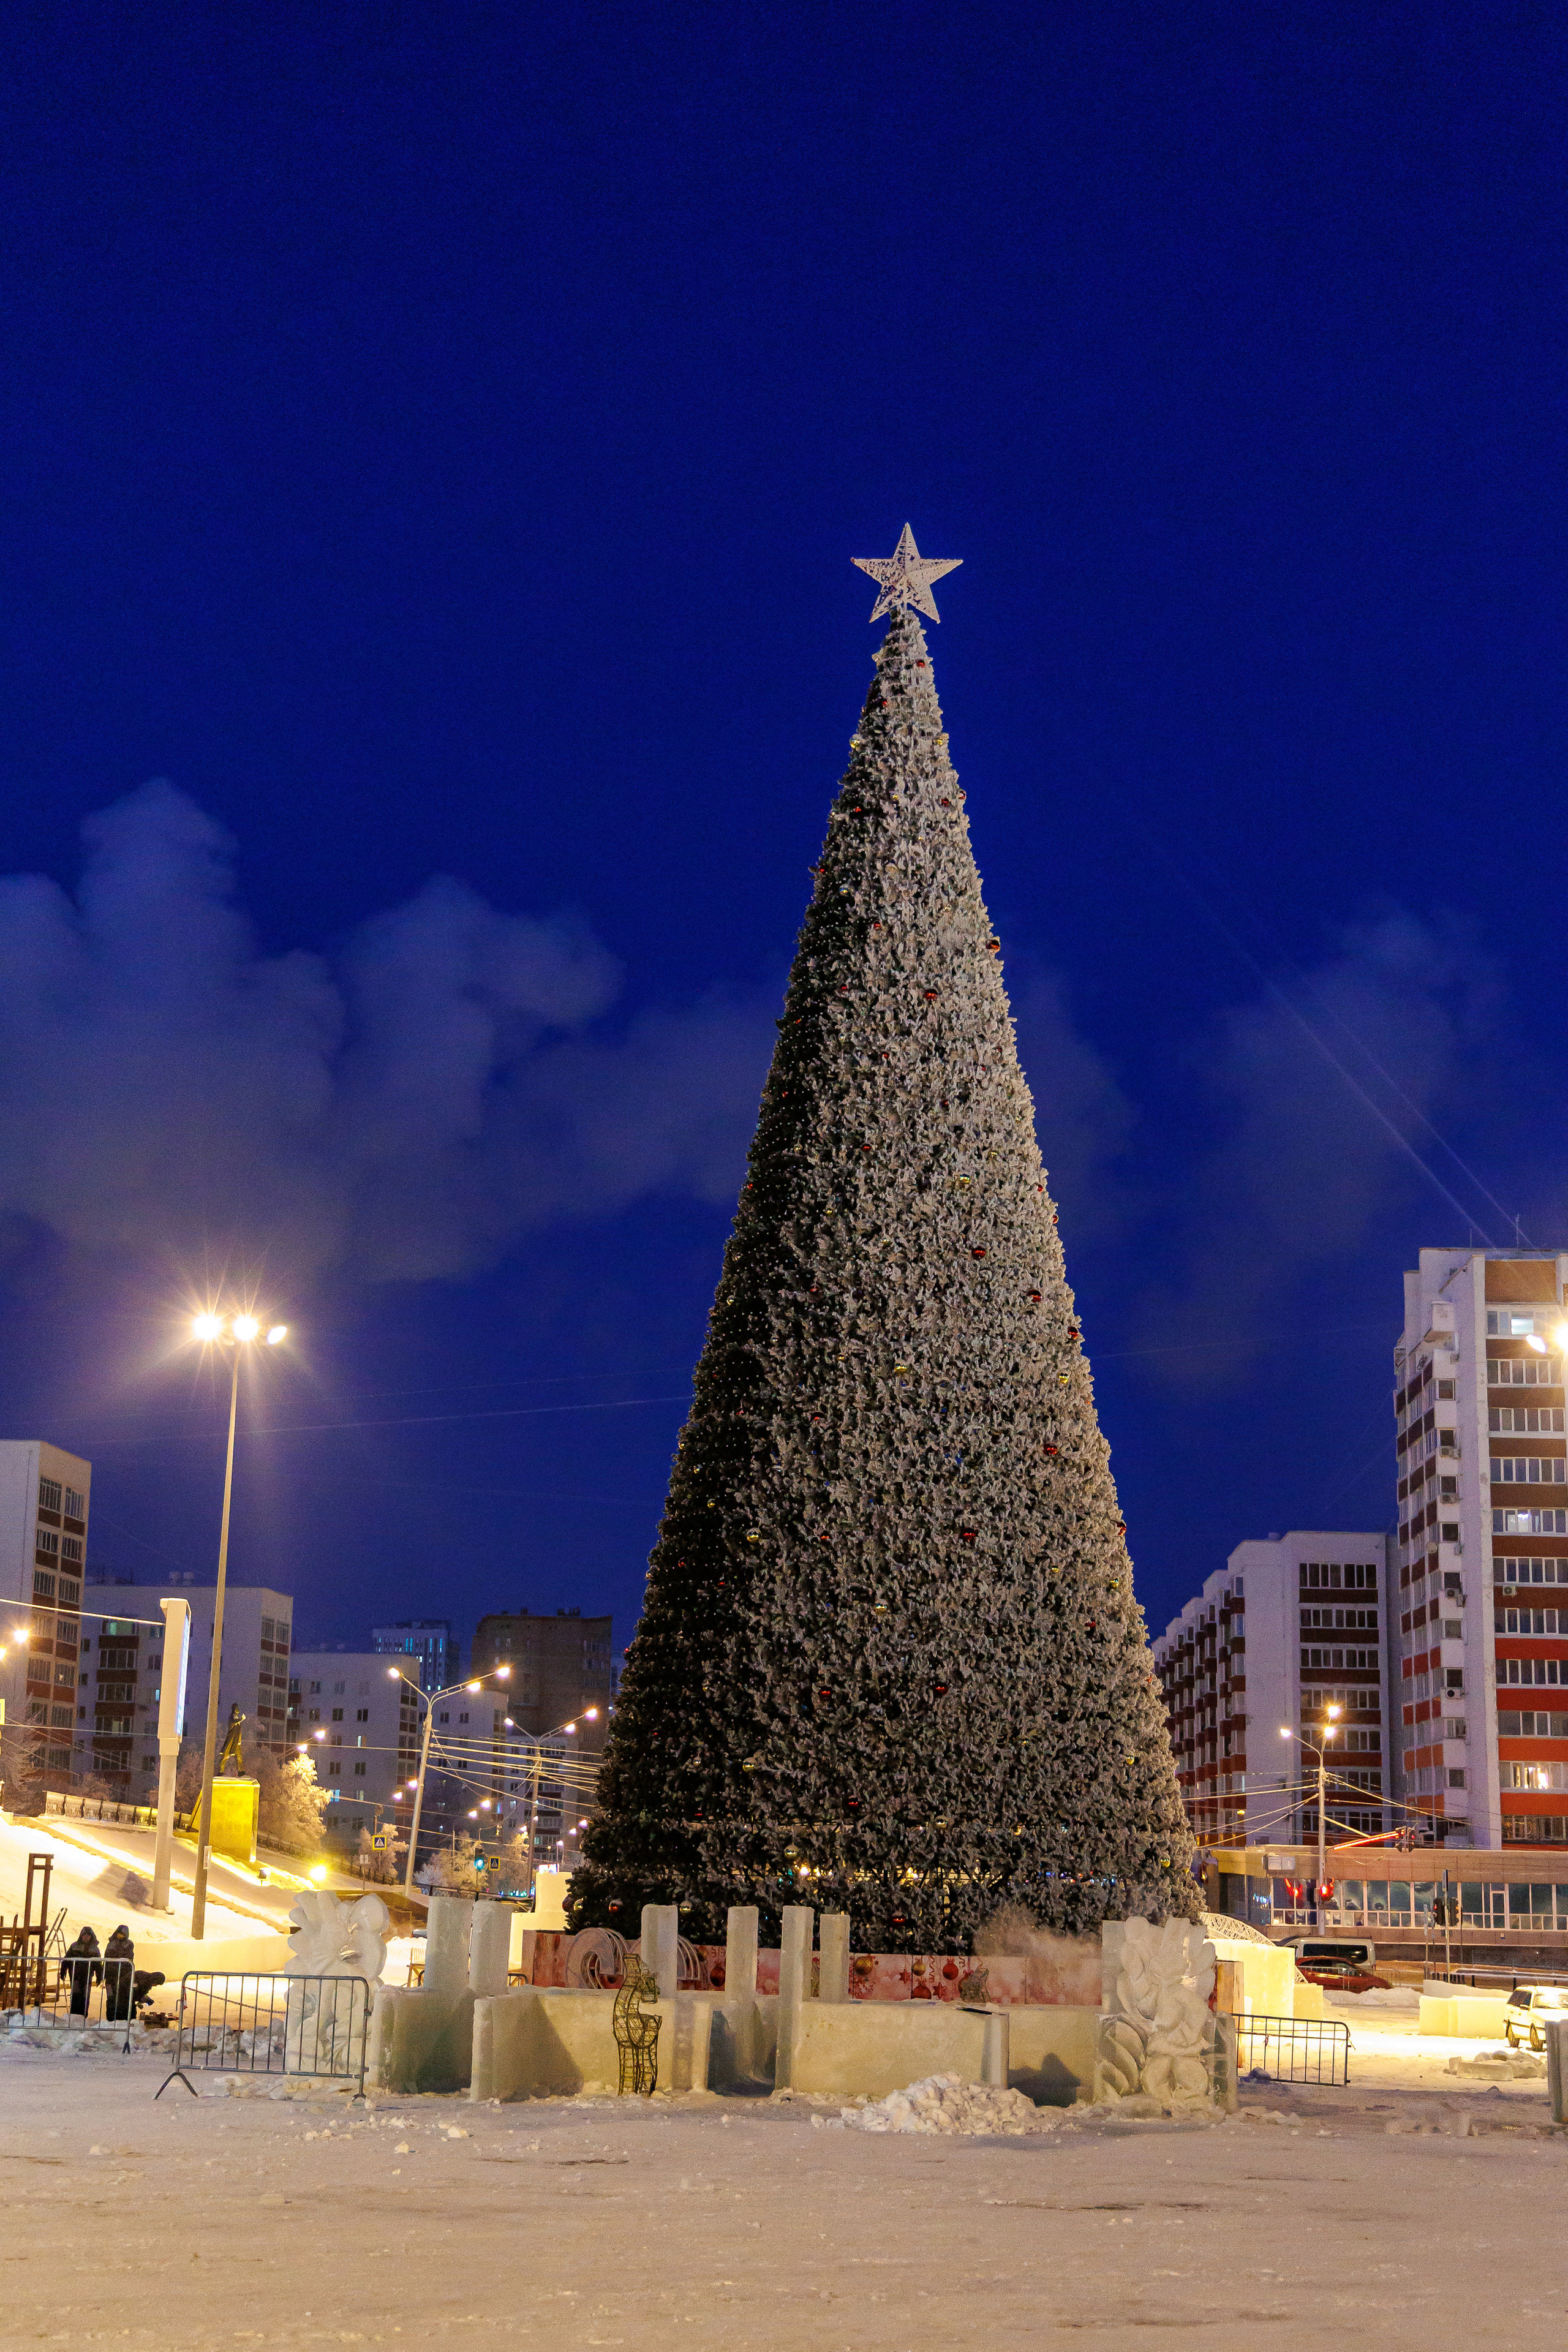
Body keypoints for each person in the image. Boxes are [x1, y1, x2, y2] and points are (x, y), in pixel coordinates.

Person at [60, 1926, 102, 2017]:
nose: (86, 1937)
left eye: (88, 1935)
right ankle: (74, 2015)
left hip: (87, 1976)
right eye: (84, 1935)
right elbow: (67, 1959)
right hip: (75, 1975)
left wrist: (100, 1976)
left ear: (91, 1937)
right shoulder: (74, 1946)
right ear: (81, 1936)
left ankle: (83, 2015)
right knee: (75, 1995)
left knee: (85, 1996)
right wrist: (63, 1971)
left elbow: (98, 1964)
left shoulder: (94, 1949)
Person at [102, 1924, 136, 2022]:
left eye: (123, 1934)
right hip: (111, 1975)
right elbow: (106, 1958)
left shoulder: (129, 1944)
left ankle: (121, 2018)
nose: (120, 1936)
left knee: (121, 1996)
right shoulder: (111, 1944)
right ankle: (111, 2018)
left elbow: (129, 1958)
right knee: (111, 1997)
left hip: (123, 1975)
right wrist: (104, 1973)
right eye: (119, 1934)